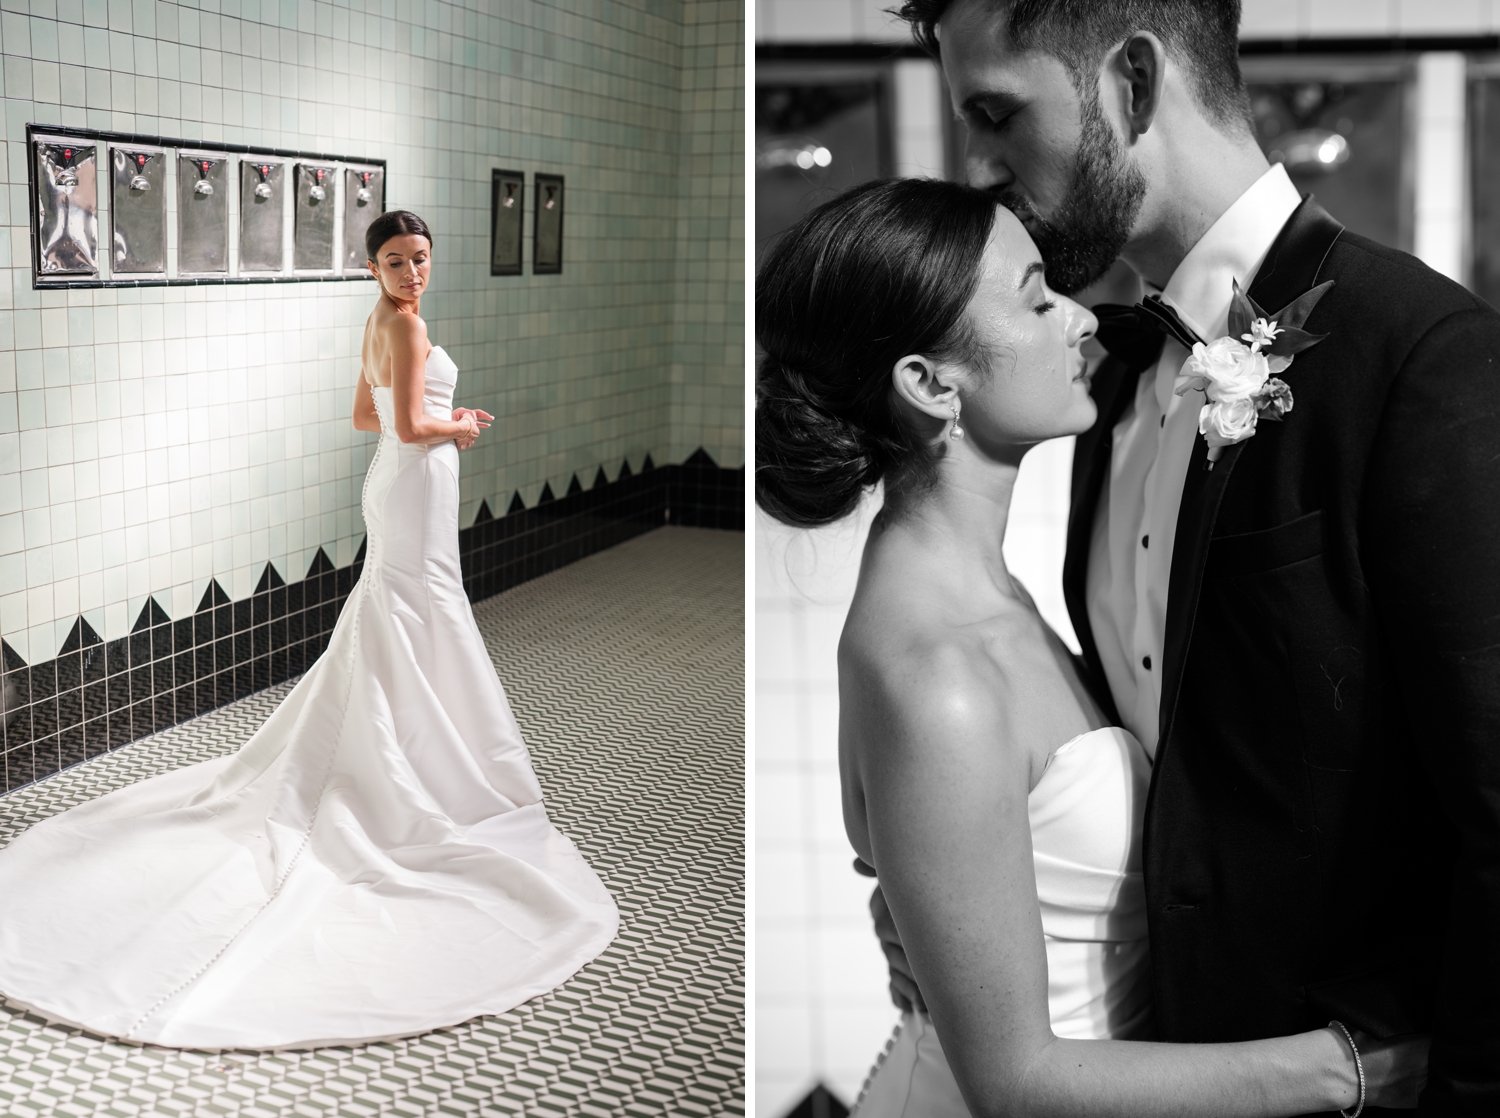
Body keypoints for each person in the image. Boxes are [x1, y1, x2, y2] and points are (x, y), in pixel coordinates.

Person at [849, 0, 1500, 1113]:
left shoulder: (1425, 360)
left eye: (998, 113)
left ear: (1133, 83)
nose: (980, 162)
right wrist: (956, 895)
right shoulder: (1109, 384)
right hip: (1147, 1068)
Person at [757, 176, 1428, 1116]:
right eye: (1036, 298)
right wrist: (1350, 1067)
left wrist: (921, 910)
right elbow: (1016, 1081)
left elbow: (922, 850)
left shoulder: (974, 593)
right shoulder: (939, 670)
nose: (1082, 320)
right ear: (930, 384)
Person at [0, 210, 618, 1050]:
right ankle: (405, 771)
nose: (411, 274)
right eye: (396, 262)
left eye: (421, 260)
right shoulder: (405, 324)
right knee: (418, 608)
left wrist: (436, 420)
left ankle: (403, 751)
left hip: (398, 486)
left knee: (406, 612)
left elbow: (366, 421)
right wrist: (460, 426)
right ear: (373, 269)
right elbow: (401, 426)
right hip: (414, 483)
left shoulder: (380, 323)